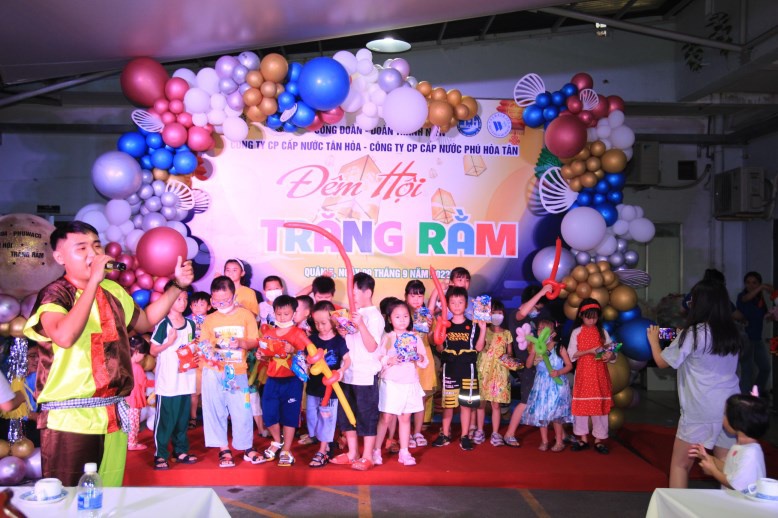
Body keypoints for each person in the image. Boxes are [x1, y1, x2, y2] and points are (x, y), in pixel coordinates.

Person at [23, 220, 194, 486]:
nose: (93, 254)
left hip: (113, 413)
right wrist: (93, 282)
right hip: (70, 419)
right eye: (81, 248)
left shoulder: (113, 290)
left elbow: (145, 322)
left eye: (96, 246)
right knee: (69, 498)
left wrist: (177, 286)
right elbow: (64, 337)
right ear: (59, 257)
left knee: (108, 495)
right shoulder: (55, 294)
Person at [647, 279, 742, 488]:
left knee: (680, 465)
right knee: (725, 469)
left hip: (700, 408)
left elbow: (662, 362)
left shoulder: (694, 333)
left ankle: (675, 506)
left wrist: (654, 340)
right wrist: (680, 337)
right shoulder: (731, 332)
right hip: (730, 407)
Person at [199, 276, 260, 468]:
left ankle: (246, 447)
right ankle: (224, 449)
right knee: (215, 409)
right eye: (217, 301)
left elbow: (254, 341)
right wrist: (207, 351)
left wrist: (241, 342)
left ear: (233, 297)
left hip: (237, 370)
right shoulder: (209, 319)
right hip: (213, 370)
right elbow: (203, 343)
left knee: (242, 410)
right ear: (211, 299)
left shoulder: (245, 315)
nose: (221, 305)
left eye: (225, 301)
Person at [330, 272, 384, 471]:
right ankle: (352, 453)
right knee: (346, 415)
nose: (351, 296)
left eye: (354, 292)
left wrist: (360, 324)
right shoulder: (353, 313)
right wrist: (343, 331)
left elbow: (371, 347)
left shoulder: (374, 317)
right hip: (348, 373)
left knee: (367, 416)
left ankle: (367, 456)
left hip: (365, 375)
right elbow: (350, 344)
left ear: (367, 292)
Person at [257, 295, 311, 466]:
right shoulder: (269, 333)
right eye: (279, 314)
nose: (282, 318)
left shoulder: (299, 333)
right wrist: (260, 355)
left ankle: (286, 449)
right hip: (272, 380)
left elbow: (309, 355)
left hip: (292, 381)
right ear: (274, 313)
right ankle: (276, 440)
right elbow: (264, 354)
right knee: (269, 413)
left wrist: (294, 350)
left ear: (294, 314)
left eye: (286, 314)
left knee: (290, 415)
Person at [373, 300, 428, 466]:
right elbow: (378, 357)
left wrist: (418, 357)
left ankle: (404, 452)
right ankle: (376, 450)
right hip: (390, 382)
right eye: (397, 317)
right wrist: (389, 360)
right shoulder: (388, 337)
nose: (402, 320)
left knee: (405, 418)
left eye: (405, 316)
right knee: (386, 417)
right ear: (390, 319)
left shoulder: (415, 337)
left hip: (409, 382)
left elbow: (424, 360)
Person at [149, 285, 198, 470]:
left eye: (185, 299)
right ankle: (160, 454)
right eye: (178, 299)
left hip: (186, 378)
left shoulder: (191, 324)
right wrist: (168, 343)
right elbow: (153, 350)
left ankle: (181, 450)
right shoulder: (164, 324)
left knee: (182, 418)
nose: (183, 303)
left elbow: (192, 346)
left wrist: (195, 355)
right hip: (168, 381)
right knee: (165, 419)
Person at [433, 286, 486, 451]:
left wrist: (484, 329)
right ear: (447, 304)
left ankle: (464, 436)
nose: (456, 305)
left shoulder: (474, 326)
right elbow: (440, 348)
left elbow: (479, 347)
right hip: (450, 370)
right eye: (453, 302)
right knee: (448, 405)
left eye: (460, 302)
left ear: (466, 304)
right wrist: (439, 334)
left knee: (466, 405)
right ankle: (445, 434)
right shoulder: (445, 325)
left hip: (468, 371)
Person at [504, 284, 553, 447]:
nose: (537, 311)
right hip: (526, 367)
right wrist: (542, 292)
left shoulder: (533, 321)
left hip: (537, 367)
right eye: (537, 307)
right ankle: (509, 434)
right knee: (525, 400)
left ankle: (558, 435)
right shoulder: (516, 315)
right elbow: (523, 312)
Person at [688, 393, 768, 492]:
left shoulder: (750, 453)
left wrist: (713, 471)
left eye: (725, 414)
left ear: (737, 421)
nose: (723, 418)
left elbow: (735, 484)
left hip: (743, 501)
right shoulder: (740, 446)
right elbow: (730, 470)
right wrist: (708, 458)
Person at [567, 298, 616, 455]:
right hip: (583, 373)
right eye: (588, 317)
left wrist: (610, 355)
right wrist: (589, 351)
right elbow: (571, 354)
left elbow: (611, 351)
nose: (592, 320)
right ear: (581, 316)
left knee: (599, 408)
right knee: (581, 407)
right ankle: (582, 438)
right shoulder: (577, 332)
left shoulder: (603, 332)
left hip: (599, 374)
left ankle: (599, 439)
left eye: (594, 317)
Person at [306, 301, 350, 467]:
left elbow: (347, 359)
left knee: (327, 419)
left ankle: (322, 451)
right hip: (313, 388)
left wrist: (341, 370)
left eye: (324, 323)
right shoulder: (312, 339)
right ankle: (327, 442)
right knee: (312, 418)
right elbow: (305, 358)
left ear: (333, 320)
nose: (320, 327)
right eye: (317, 323)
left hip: (330, 390)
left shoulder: (339, 341)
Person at [521, 319, 573, 452]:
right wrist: (533, 352)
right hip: (541, 383)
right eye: (539, 329)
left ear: (553, 333)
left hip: (556, 384)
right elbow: (528, 365)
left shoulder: (559, 347)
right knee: (542, 412)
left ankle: (559, 441)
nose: (541, 332)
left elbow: (569, 365)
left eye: (545, 330)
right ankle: (544, 441)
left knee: (556, 414)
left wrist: (559, 372)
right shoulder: (535, 346)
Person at [475, 299, 513, 447]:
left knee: (496, 404)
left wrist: (509, 359)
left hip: (500, 372)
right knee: (481, 403)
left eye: (499, 312)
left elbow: (509, 353)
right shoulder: (484, 331)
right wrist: (483, 329)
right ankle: (479, 430)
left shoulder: (507, 334)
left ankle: (495, 433)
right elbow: (479, 347)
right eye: (493, 312)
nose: (497, 315)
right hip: (483, 370)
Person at [405, 280, 435, 448]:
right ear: (406, 296)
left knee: (420, 398)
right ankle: (406, 433)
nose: (416, 299)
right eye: (413, 295)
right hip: (406, 360)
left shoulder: (426, 315)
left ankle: (417, 432)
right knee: (405, 397)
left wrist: (429, 329)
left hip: (424, 359)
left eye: (420, 295)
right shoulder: (401, 313)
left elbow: (432, 341)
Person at [736, 271, 773, 395]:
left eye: (754, 283)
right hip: (745, 338)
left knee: (765, 368)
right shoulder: (742, 296)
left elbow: (763, 314)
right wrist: (762, 287)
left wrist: (770, 316)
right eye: (748, 282)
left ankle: (755, 393)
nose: (750, 285)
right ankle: (744, 399)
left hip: (756, 338)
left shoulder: (759, 298)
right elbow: (746, 298)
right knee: (748, 371)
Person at [125, 335, 153, 451]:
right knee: (134, 423)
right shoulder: (137, 367)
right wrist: (158, 382)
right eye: (143, 354)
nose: (143, 357)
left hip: (124, 398)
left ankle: (127, 442)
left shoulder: (124, 364)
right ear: (136, 352)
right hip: (134, 399)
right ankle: (132, 443)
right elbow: (144, 382)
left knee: (126, 422)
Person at [187, 291, 210, 429]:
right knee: (194, 392)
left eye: (202, 304)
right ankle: (193, 417)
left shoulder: (213, 320)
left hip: (209, 360)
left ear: (209, 306)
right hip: (194, 360)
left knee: (209, 392)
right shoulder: (188, 322)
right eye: (195, 304)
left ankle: (210, 417)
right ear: (190, 306)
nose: (198, 307)